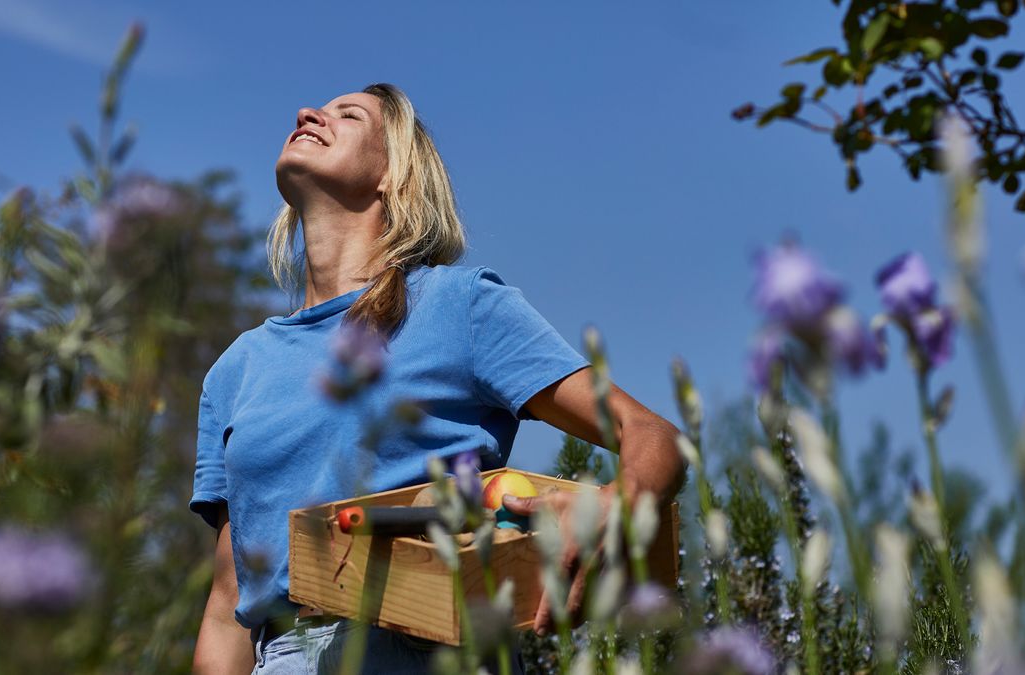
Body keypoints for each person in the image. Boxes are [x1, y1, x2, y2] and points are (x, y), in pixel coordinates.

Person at [190, 83, 684, 675]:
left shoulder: (461, 307)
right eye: (316, 110)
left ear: (393, 176)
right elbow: (227, 604)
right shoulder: (236, 369)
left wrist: (620, 505)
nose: (307, 114)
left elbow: (651, 433)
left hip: (428, 648)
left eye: (348, 116)